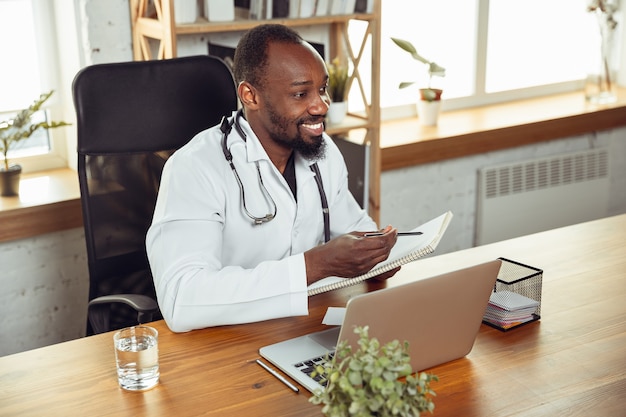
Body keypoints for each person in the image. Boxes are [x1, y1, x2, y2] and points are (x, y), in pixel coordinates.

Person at [146, 24, 398, 333]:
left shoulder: (323, 152)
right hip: (226, 344)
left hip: (306, 327)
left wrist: (377, 257)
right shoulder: (194, 168)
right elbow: (182, 298)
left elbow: (355, 229)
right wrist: (313, 266)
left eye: (322, 89)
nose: (321, 106)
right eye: (300, 93)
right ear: (250, 96)